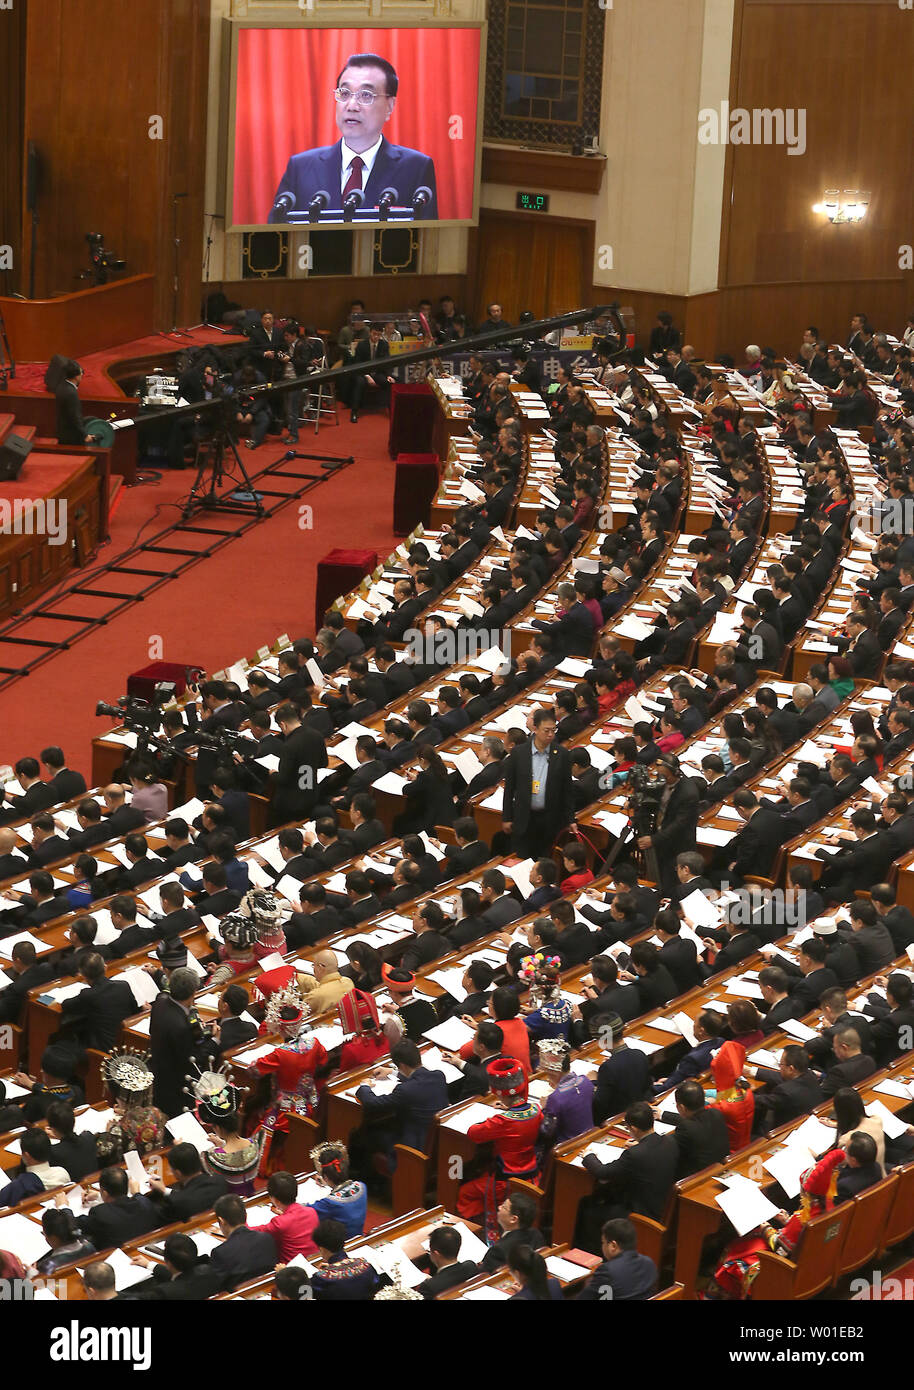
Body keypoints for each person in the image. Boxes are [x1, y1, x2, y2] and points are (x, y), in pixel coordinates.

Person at [268, 53, 438, 222]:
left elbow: (425, 240)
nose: (351, 106)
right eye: (344, 93)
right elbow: (277, 235)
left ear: (390, 106)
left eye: (366, 95)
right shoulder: (301, 167)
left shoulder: (415, 168)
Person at [457, 1058, 542, 1234]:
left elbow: (474, 1133)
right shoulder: (536, 1110)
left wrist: (497, 1115)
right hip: (532, 1174)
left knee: (465, 1192)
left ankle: (480, 1232)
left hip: (506, 1179)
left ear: (501, 1094)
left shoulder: (503, 1120)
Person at [253, 983, 327, 1171]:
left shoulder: (280, 1053)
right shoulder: (314, 1043)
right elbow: (323, 1060)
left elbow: (254, 1070)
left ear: (281, 1028)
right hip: (311, 1099)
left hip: (285, 1105)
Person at [502, 708, 574, 857]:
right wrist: (507, 817)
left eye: (553, 730)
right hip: (523, 819)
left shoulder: (562, 755)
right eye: (546, 730)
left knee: (543, 863)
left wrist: (570, 819)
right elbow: (509, 788)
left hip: (549, 820)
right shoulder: (518, 753)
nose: (550, 735)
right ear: (535, 728)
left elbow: (567, 790)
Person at [101, 1047, 166, 1159]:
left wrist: (108, 1132)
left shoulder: (118, 1130)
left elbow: (105, 1153)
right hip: (156, 1161)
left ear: (119, 1097)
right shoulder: (156, 1114)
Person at [575, 1218, 658, 1301]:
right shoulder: (649, 1263)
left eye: (603, 1242)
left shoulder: (607, 1271)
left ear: (613, 1246)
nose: (602, 1246)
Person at [209, 1194, 278, 1292]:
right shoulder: (267, 1238)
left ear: (221, 1221)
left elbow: (218, 1289)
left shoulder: (220, 1253)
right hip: (268, 1291)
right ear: (245, 1215)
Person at [250, 1171, 319, 1261]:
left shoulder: (280, 1223)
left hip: (291, 1271)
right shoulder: (311, 1212)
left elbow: (249, 1232)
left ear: (275, 1199)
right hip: (315, 1260)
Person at [307, 1140, 368, 1238]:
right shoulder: (361, 1187)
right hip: (358, 1239)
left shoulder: (329, 1203)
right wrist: (325, 1181)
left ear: (326, 1177)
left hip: (339, 1246)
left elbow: (305, 1211)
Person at [34, 1207, 96, 1275]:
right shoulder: (89, 1247)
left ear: (53, 1238)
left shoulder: (47, 1266)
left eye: (45, 1234)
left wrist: (32, 1274)